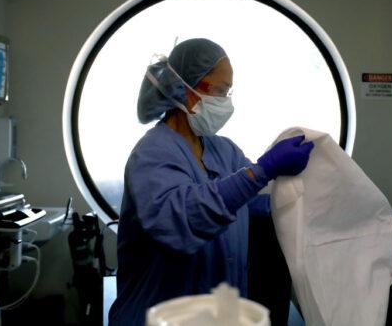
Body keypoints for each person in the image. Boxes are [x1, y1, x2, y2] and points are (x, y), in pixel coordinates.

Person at [108, 38, 314, 326]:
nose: (225, 101)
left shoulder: (224, 149)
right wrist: (264, 170)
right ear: (185, 89)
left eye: (228, 92)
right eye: (219, 91)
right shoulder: (152, 153)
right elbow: (183, 219)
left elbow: (251, 202)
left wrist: (299, 199)